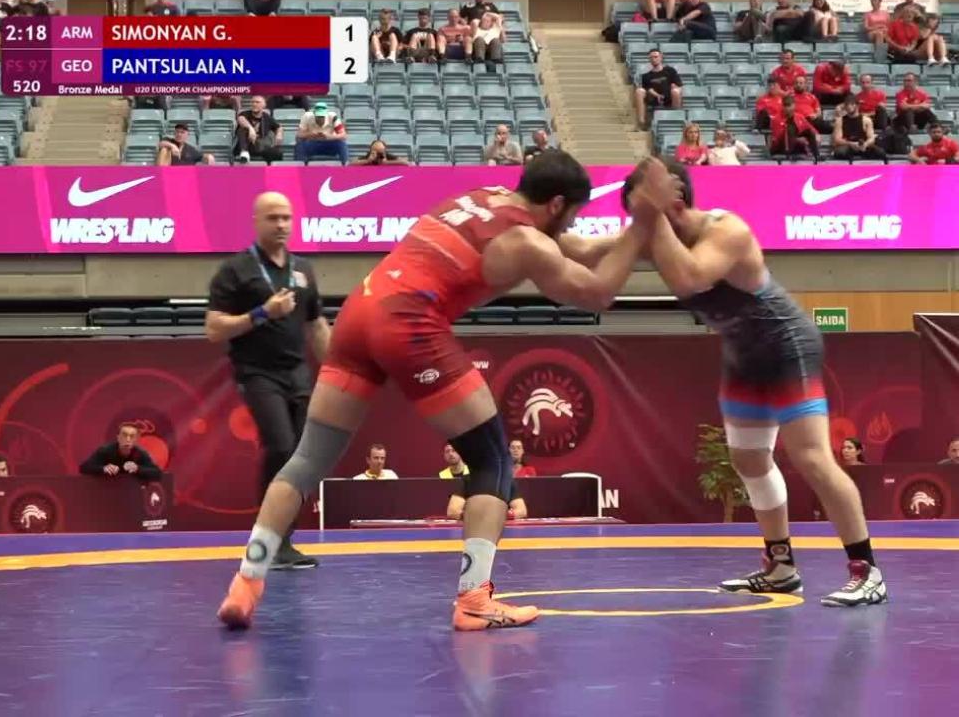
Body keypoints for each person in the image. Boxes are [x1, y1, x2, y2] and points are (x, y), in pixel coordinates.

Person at [216, 151, 674, 631]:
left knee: (307, 460)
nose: (573, 224)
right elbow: (598, 292)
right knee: (493, 461)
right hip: (408, 323)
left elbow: (574, 247)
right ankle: (474, 600)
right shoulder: (525, 241)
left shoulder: (483, 197)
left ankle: (246, 583)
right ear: (556, 204)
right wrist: (645, 219)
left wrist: (639, 236)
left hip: (359, 313)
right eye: (573, 213)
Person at [621, 158, 886, 607]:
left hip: (786, 347)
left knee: (812, 458)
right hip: (744, 358)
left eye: (644, 212)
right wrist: (531, 230)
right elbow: (595, 250)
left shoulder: (727, 231)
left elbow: (691, 276)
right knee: (749, 459)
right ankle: (781, 567)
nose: (639, 224)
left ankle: (867, 571)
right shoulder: (663, 239)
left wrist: (653, 219)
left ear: (675, 201)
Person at [206, 193, 330, 572]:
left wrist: (341, 370)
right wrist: (262, 312)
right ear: (257, 221)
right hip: (257, 372)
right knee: (280, 445)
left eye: (286, 217)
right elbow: (214, 328)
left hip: (298, 373)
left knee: (300, 458)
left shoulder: (303, 269)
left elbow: (316, 325)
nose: (281, 224)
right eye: (273, 217)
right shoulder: (236, 270)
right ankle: (266, 540)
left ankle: (283, 542)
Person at [78, 423, 163, 481]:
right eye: (124, 435)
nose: (128, 439)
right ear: (118, 437)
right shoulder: (105, 451)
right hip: (106, 490)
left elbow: (157, 473)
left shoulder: (140, 453)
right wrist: (103, 468)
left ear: (136, 440)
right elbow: (84, 468)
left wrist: (137, 469)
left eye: (132, 436)